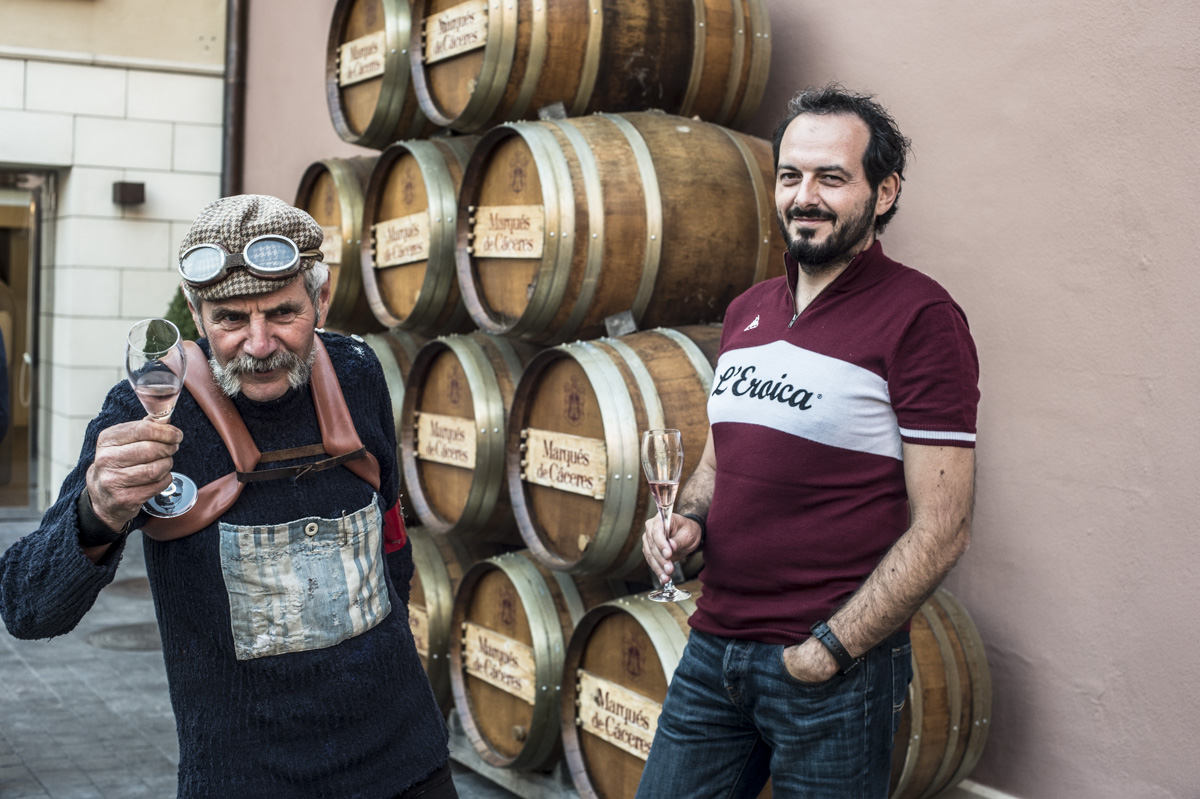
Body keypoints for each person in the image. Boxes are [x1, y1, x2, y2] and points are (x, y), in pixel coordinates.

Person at [0, 195, 456, 799]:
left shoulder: (357, 372)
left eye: (282, 313)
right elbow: (27, 608)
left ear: (321, 299)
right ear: (194, 313)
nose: (259, 343)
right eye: (230, 319)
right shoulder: (147, 406)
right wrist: (98, 512)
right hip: (247, 779)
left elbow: (391, 537)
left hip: (406, 764)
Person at [637, 85, 980, 798]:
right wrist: (687, 526)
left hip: (828, 672)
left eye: (831, 177)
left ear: (884, 191)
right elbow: (716, 466)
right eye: (791, 175)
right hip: (713, 651)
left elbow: (943, 527)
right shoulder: (748, 311)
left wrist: (831, 649)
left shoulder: (920, 316)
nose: (805, 197)